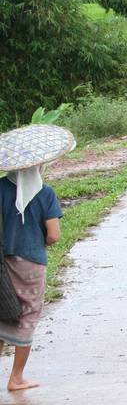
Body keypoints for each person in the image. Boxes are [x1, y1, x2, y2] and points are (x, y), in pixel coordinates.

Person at [0, 164, 62, 391]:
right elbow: (54, 235)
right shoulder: (45, 193)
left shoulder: (0, 188)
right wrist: (38, 240)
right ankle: (16, 378)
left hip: (2, 261)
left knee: (2, 313)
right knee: (28, 315)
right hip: (32, 263)